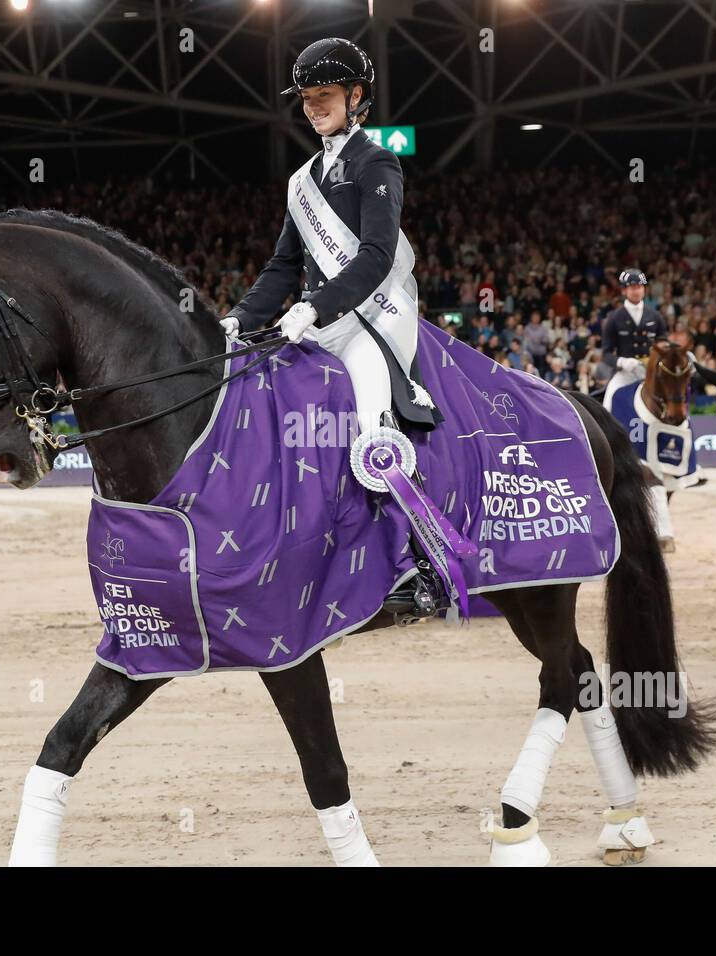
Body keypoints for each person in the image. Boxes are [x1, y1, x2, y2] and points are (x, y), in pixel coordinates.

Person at [218, 37, 446, 628]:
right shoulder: (301, 182)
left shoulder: (377, 163)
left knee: (373, 427)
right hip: (319, 322)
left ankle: (416, 565)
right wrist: (239, 320)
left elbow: (374, 257)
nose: (313, 106)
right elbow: (281, 268)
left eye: (324, 96)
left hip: (372, 318)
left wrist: (314, 308)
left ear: (356, 95)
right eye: (307, 99)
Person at [599, 269, 667, 408]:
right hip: (626, 373)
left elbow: (663, 344)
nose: (636, 291)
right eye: (632, 287)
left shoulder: (655, 316)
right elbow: (606, 354)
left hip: (651, 371)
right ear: (624, 290)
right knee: (608, 401)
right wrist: (621, 361)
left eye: (639, 287)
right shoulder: (614, 318)